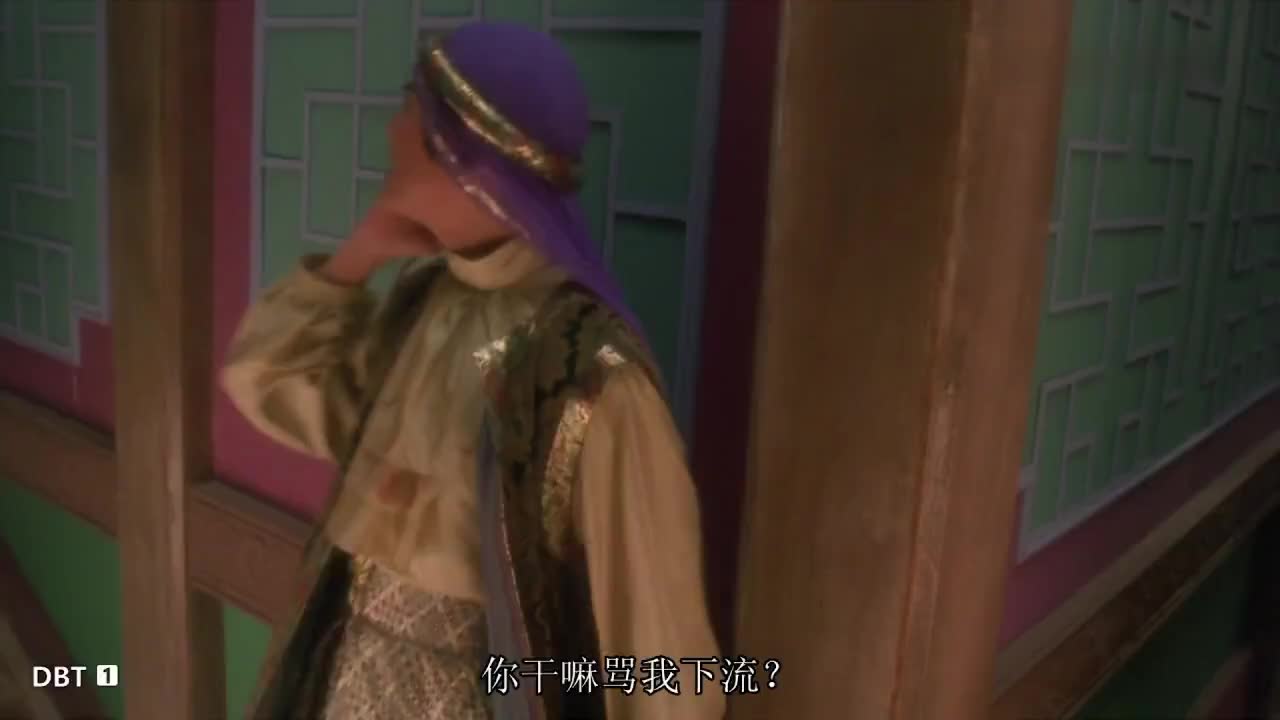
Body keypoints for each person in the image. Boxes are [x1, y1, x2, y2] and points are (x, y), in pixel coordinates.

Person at [222, 21, 724, 720]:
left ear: (461, 154)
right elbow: (268, 379)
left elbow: (658, 648)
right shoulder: (422, 304)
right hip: (344, 678)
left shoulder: (589, 375)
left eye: (411, 106)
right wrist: (359, 256)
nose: (392, 129)